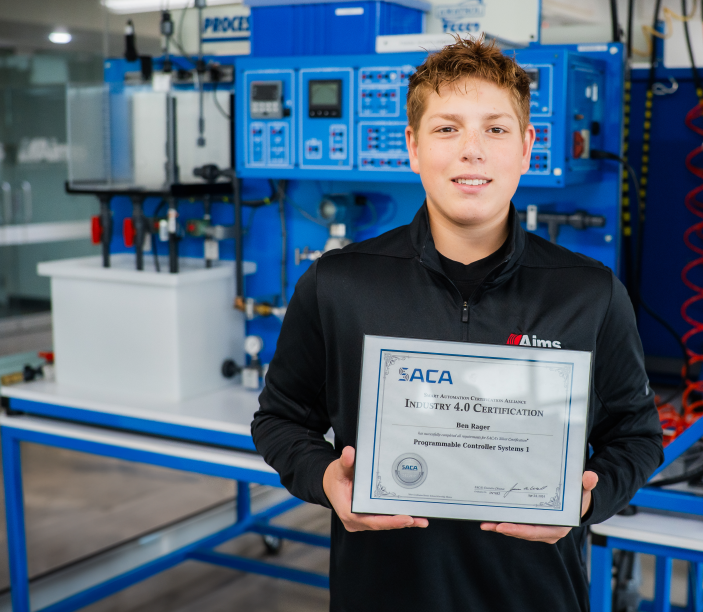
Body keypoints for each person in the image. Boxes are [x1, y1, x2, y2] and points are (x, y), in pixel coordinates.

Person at [252, 37, 663, 612]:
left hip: (536, 597)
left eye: (495, 129)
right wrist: (325, 479)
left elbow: (637, 437)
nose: (473, 151)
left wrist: (588, 499)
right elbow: (279, 420)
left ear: (527, 147)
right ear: (413, 147)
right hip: (382, 595)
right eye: (447, 129)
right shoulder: (339, 283)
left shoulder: (588, 292)